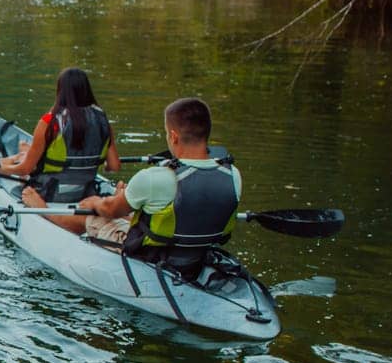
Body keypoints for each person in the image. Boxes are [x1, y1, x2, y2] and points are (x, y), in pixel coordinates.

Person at [24, 97, 241, 272]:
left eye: (166, 134)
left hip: (150, 254)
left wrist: (98, 201)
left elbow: (110, 210)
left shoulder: (154, 177)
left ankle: (40, 209)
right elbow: (183, 210)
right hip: (197, 254)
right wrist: (128, 197)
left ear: (173, 136)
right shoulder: (232, 175)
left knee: (91, 214)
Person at [0, 67, 121, 203]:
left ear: (60, 91)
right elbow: (114, 166)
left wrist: (1, 170)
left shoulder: (50, 121)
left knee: (26, 167)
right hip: (86, 194)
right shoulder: (102, 121)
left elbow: (25, 169)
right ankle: (21, 153)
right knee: (32, 160)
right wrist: (97, 164)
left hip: (48, 194)